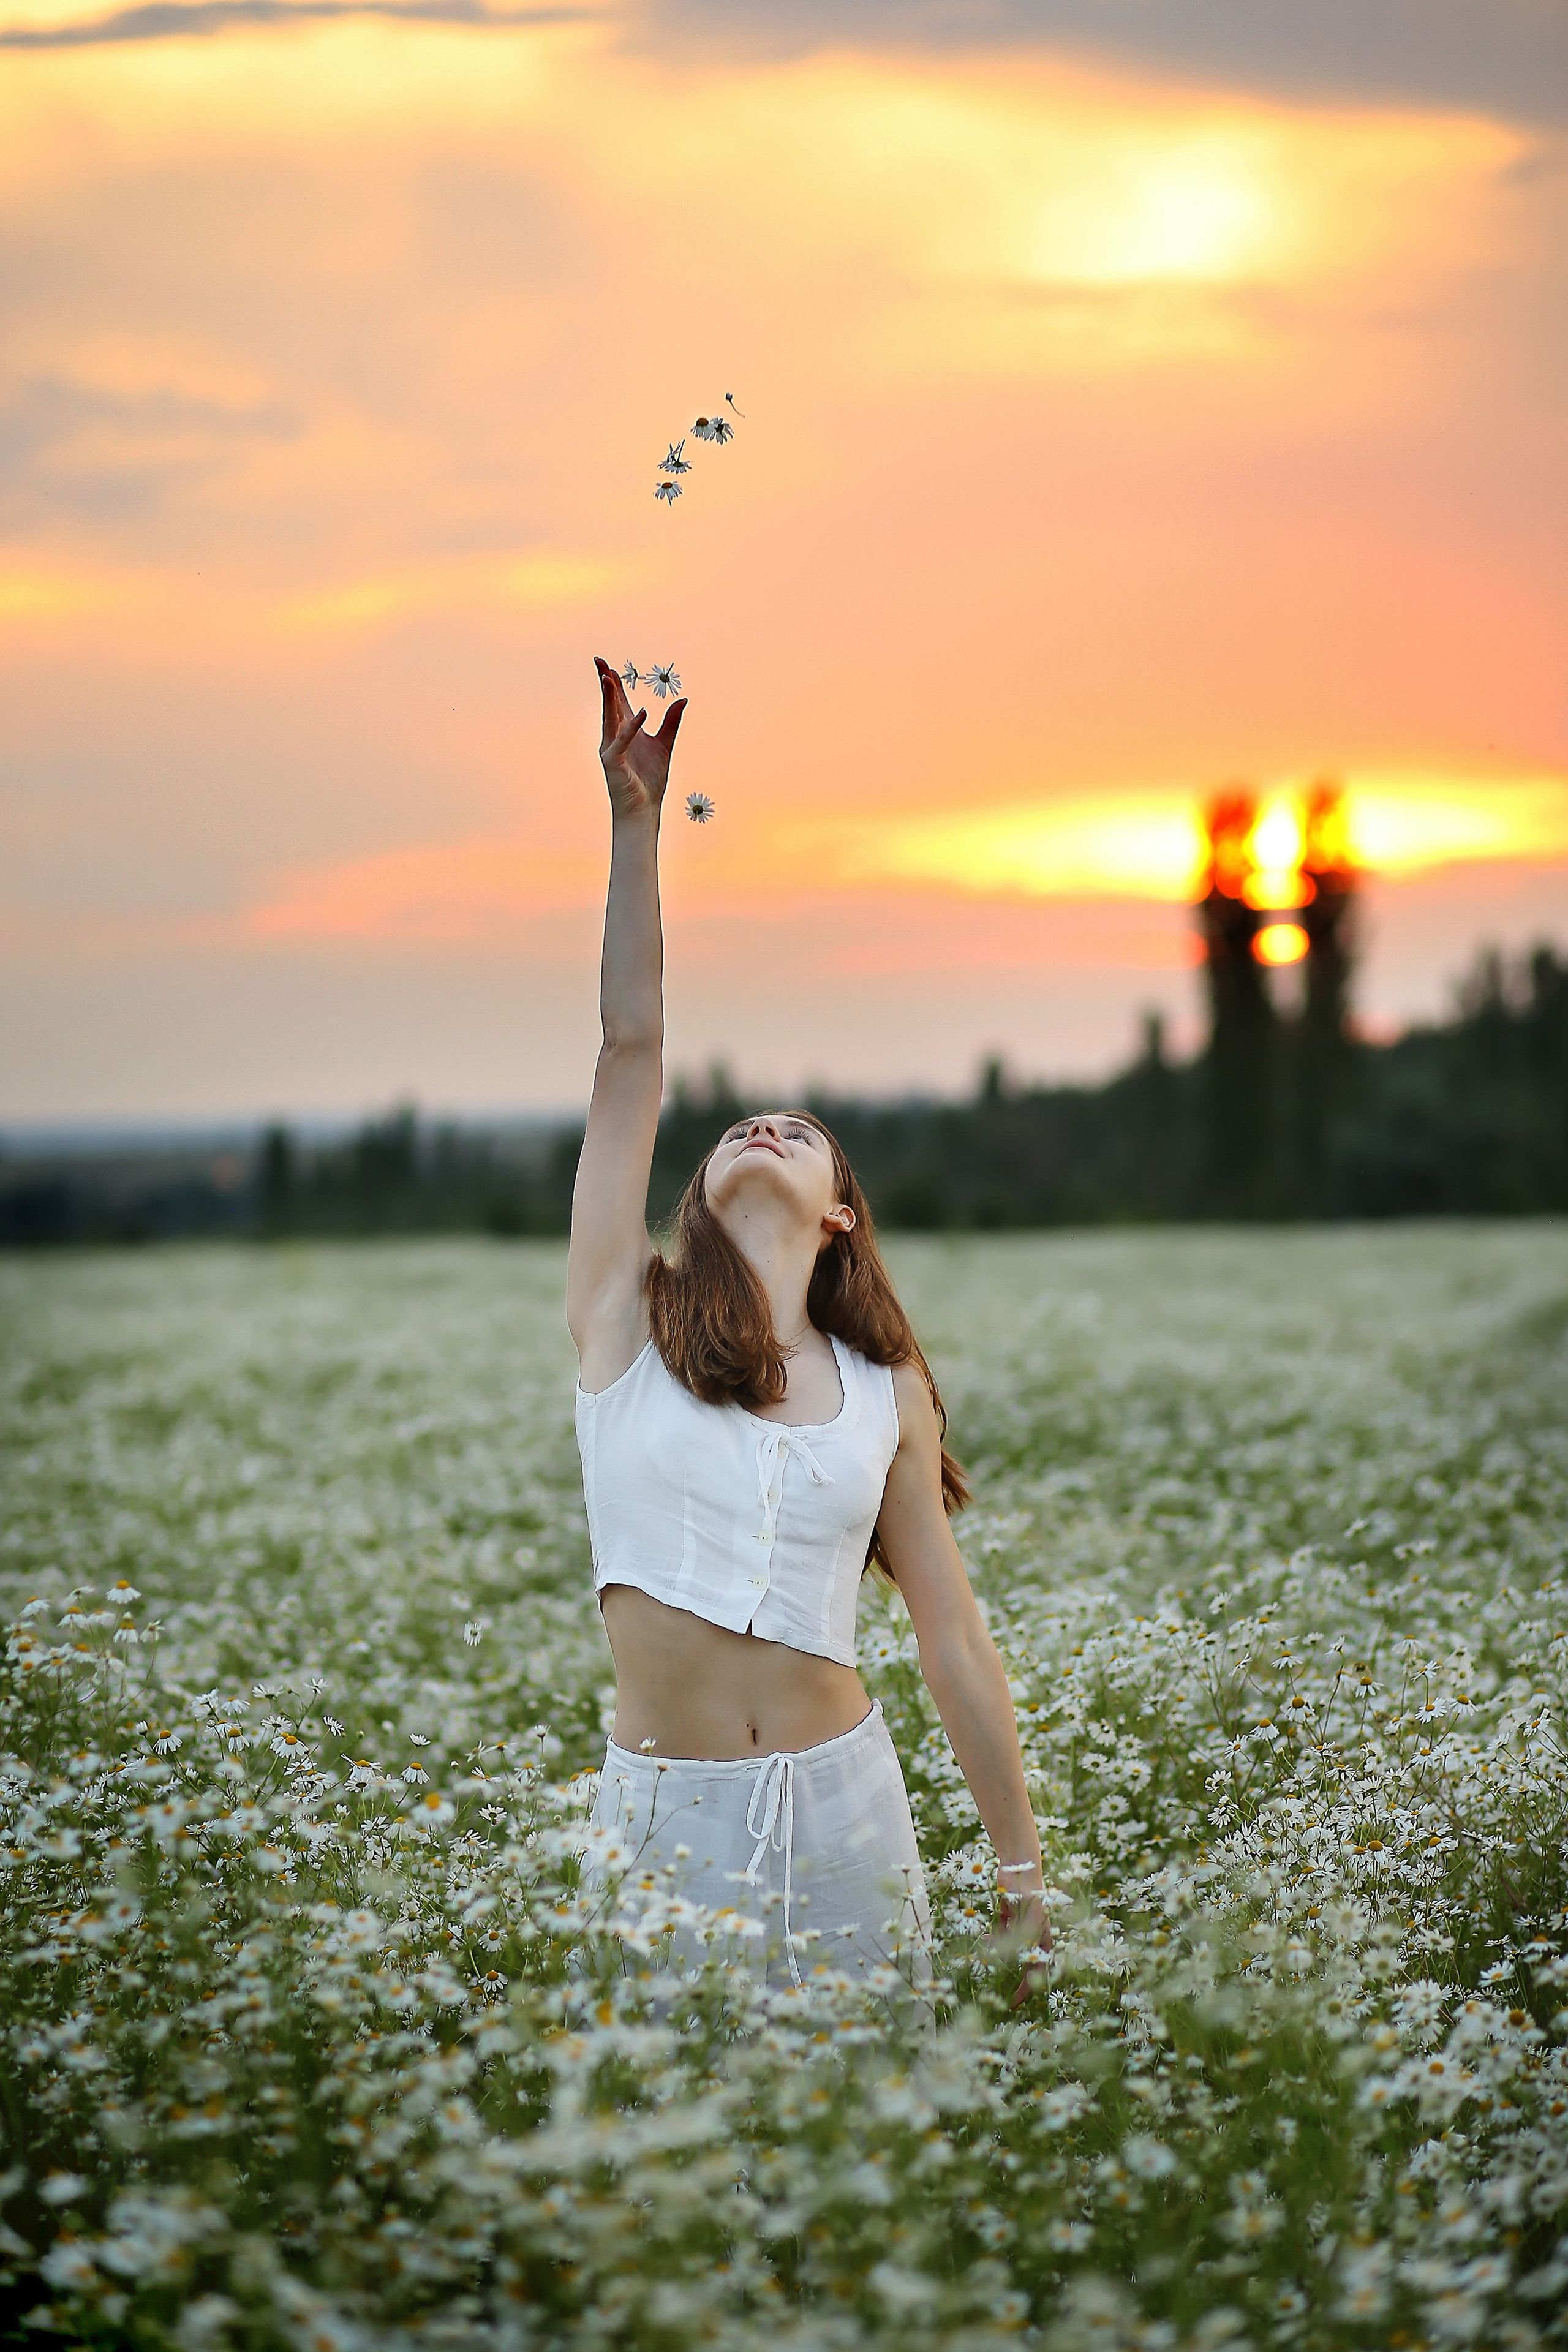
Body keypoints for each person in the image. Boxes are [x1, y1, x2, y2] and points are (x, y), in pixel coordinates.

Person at [568, 657, 1048, 1991]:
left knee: (857, 2175)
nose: (761, 1127)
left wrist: (1019, 1878)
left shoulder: (884, 1389)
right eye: (736, 1130)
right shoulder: (623, 1317)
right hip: (661, 1825)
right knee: (654, 2176)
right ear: (701, 1192)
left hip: (848, 1819)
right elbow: (628, 1051)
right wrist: (633, 830)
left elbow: (951, 1641)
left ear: (838, 1216)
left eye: (801, 1134)